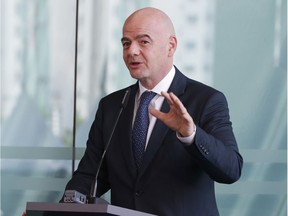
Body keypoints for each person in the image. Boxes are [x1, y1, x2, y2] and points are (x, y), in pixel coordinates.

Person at [61, 7, 243, 216]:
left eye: (143, 41)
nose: (132, 51)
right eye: (126, 43)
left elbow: (231, 170)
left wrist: (191, 135)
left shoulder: (206, 100)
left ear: (170, 46)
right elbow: (89, 177)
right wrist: (52, 213)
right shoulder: (112, 106)